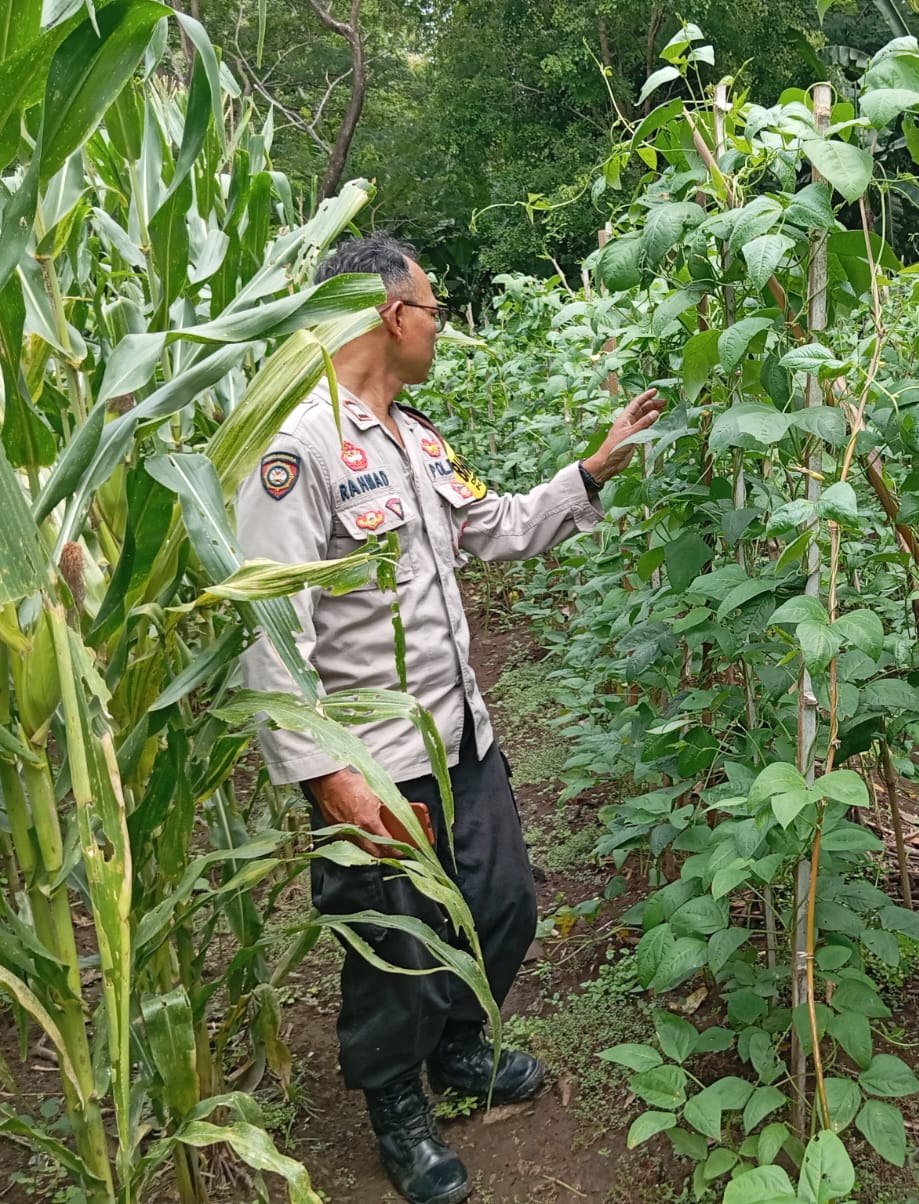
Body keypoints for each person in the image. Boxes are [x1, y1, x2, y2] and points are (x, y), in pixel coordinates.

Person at [236, 234, 665, 1204]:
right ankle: (398, 1110)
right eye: (434, 310)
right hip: (372, 757)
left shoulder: (415, 437)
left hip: (458, 733)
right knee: (395, 942)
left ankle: (461, 1047)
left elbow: (492, 525)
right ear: (393, 315)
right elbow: (269, 629)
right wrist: (326, 773)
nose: (440, 327)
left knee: (504, 898)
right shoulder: (297, 445)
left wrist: (590, 473)